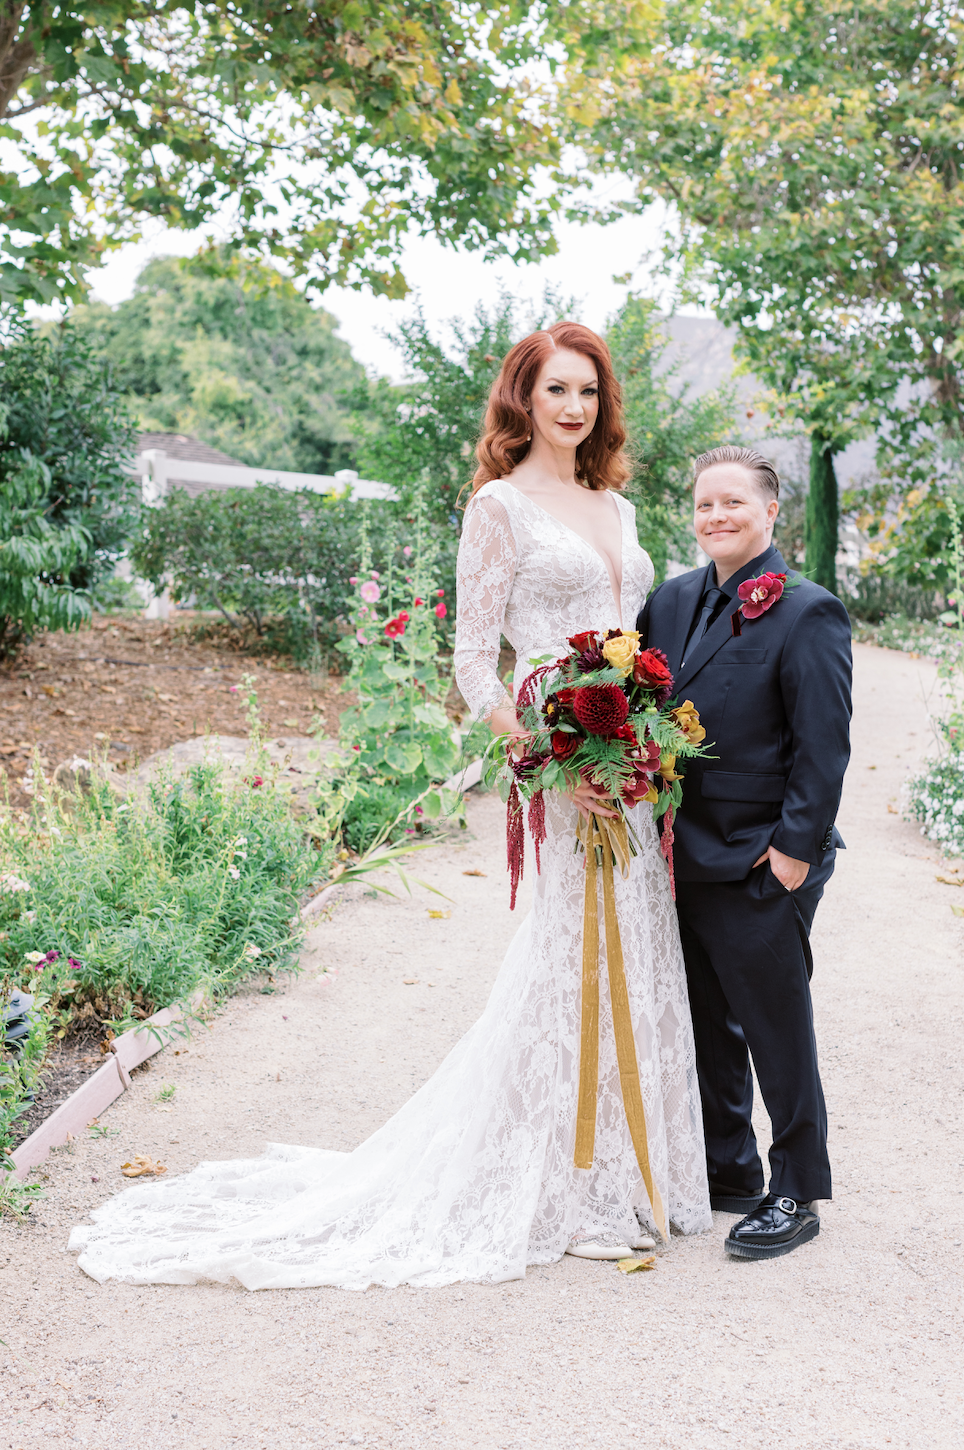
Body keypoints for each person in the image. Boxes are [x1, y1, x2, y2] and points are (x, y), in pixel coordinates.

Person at [68, 322, 710, 1291]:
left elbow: (632, 635)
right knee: (566, 965)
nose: (573, 407)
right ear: (522, 401)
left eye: (587, 390)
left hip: (626, 778)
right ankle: (565, 1182)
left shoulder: (613, 504)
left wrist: (642, 737)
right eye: (555, 392)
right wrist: (549, 746)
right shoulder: (497, 507)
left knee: (636, 953)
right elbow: (471, 660)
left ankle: (630, 1173)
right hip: (563, 767)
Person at [637, 445, 852, 1260]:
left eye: (734, 503)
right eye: (704, 506)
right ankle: (728, 1171)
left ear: (769, 513)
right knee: (703, 1022)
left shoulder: (808, 611)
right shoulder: (670, 600)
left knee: (775, 1025)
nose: (717, 517)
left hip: (761, 856)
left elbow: (823, 748)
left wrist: (792, 855)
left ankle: (797, 1188)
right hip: (677, 852)